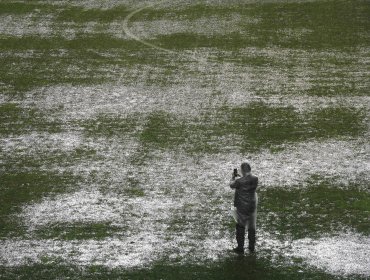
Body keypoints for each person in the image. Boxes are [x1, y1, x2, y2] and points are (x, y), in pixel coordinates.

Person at [230, 162, 258, 254]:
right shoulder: (255, 178)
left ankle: (240, 247)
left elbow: (231, 185)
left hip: (242, 206)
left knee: (240, 226)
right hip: (252, 205)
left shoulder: (239, 181)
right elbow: (246, 182)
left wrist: (233, 177)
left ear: (242, 170)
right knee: (251, 227)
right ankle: (251, 247)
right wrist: (240, 177)